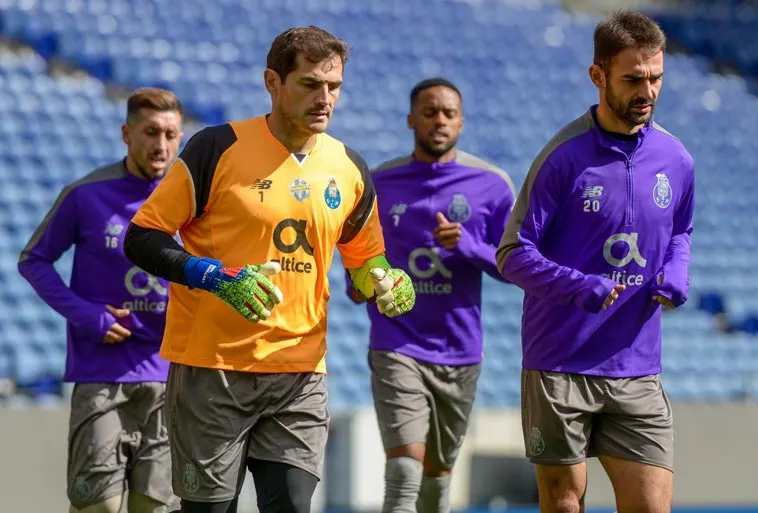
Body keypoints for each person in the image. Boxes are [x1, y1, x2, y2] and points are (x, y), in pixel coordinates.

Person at [122, 26, 416, 513]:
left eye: (334, 86)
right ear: (272, 82)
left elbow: (365, 261)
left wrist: (386, 283)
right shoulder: (216, 147)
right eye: (309, 84)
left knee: (292, 507)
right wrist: (213, 277)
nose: (325, 98)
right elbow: (142, 236)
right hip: (212, 371)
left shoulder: (349, 167)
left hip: (301, 373)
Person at [495, 10, 694, 513]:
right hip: (559, 363)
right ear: (598, 75)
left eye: (655, 78)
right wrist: (577, 286)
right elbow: (512, 253)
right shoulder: (563, 157)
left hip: (637, 365)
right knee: (564, 504)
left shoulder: (676, 159)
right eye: (632, 79)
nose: (646, 91)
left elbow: (681, 231)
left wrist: (676, 270)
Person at [347, 77, 516, 513]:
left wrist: (467, 245)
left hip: (460, 352)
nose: (439, 120)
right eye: (430, 111)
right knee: (404, 470)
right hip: (397, 343)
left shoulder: (491, 185)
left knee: (436, 483)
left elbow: (516, 267)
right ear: (411, 119)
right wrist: (368, 282)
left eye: (448, 113)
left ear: (461, 122)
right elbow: (355, 266)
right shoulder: (377, 182)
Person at [18, 88, 184, 513]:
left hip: (171, 378)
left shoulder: (193, 200)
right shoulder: (86, 195)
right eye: (150, 132)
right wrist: (86, 315)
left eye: (170, 133)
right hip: (102, 375)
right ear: (126, 134)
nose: (161, 144)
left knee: (154, 509)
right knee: (100, 508)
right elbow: (33, 260)